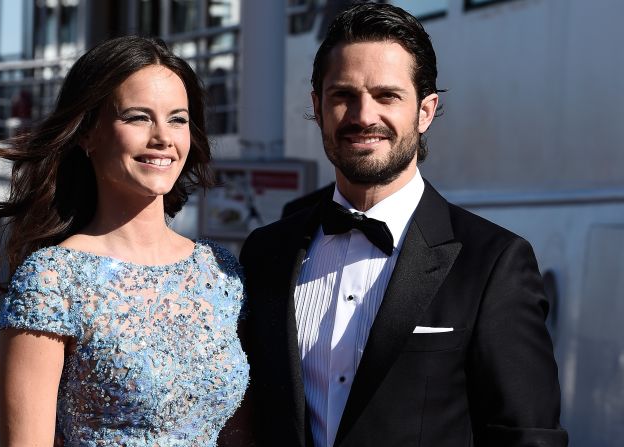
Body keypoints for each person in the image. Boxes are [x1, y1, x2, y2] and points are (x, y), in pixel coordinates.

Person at [239, 3, 567, 447]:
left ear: (426, 111)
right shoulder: (266, 253)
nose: (363, 116)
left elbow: (527, 436)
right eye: (343, 96)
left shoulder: (493, 263)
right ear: (317, 107)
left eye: (386, 96)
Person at [0, 36, 249, 446]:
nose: (163, 137)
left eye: (178, 119)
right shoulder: (52, 280)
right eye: (137, 117)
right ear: (87, 134)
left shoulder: (220, 271)